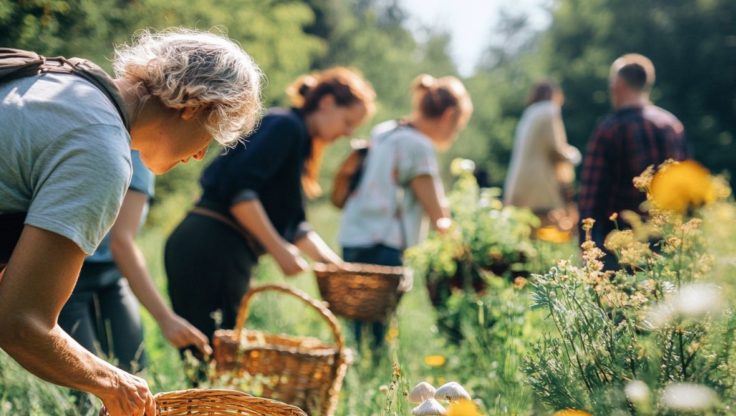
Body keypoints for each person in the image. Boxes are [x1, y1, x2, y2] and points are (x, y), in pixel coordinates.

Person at [0, 29, 262, 416]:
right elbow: (16, 324)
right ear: (191, 104)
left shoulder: (61, 79)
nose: (200, 154)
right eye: (209, 135)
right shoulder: (100, 150)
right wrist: (114, 382)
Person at [165, 67, 376, 344]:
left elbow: (296, 224)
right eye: (348, 121)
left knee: (215, 354)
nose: (348, 133)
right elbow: (240, 194)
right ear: (327, 103)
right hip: (211, 247)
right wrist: (279, 250)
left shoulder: (297, 138)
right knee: (212, 355)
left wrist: (336, 268)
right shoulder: (285, 126)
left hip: (219, 250)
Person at [337, 74, 473, 348]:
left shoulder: (386, 130)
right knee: (377, 334)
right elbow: (438, 214)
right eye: (457, 127)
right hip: (384, 245)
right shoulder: (418, 145)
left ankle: (356, 379)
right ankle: (372, 382)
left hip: (354, 236)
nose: (453, 135)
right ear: (448, 116)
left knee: (358, 328)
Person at [59, 151, 210, 374]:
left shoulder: (140, 154)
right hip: (68, 273)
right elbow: (121, 242)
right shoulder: (136, 155)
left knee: (134, 372)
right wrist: (166, 319)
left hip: (111, 274)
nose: (196, 156)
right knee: (84, 388)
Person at [579, 53, 687, 268]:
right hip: (669, 240)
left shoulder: (609, 129)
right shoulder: (671, 125)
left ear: (618, 85)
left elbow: (592, 194)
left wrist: (586, 243)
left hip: (621, 247)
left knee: (624, 301)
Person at [504, 80, 581, 228]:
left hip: (519, 186)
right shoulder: (549, 110)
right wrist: (574, 156)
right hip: (540, 189)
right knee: (546, 235)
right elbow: (556, 149)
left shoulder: (529, 112)